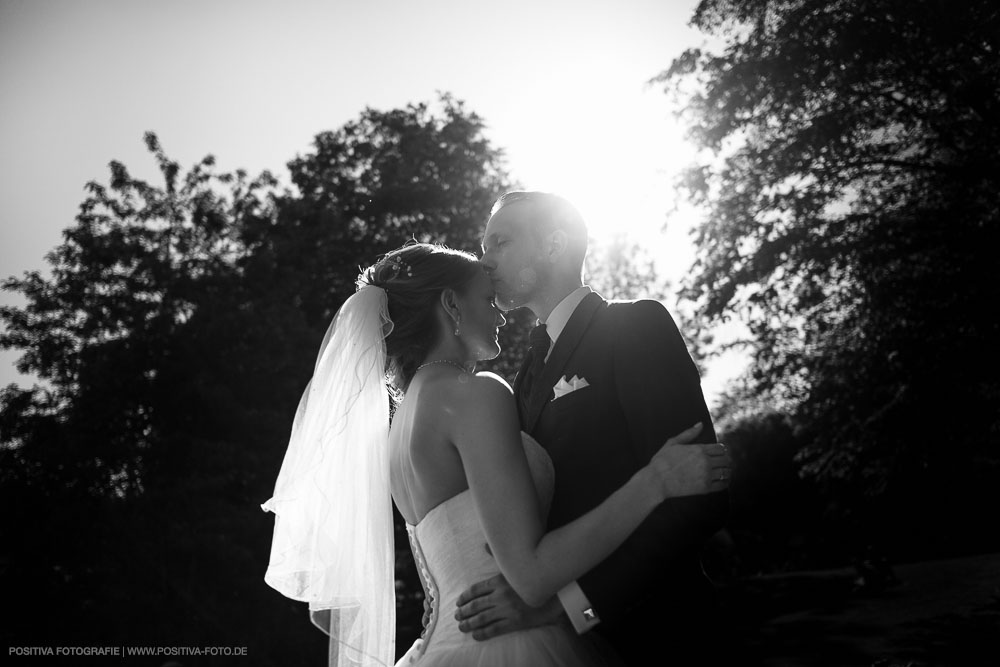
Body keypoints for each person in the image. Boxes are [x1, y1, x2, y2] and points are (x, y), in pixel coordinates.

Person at [261, 242, 731, 667]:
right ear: (450, 305)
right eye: (486, 300)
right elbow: (529, 576)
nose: (501, 315)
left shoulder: (400, 425)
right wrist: (654, 482)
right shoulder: (476, 395)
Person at [455, 191, 731, 666]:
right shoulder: (523, 376)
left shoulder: (635, 326)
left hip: (663, 635)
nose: (485, 260)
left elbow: (698, 495)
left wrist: (570, 610)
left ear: (554, 244)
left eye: (500, 242)